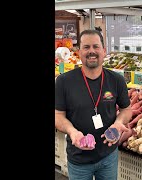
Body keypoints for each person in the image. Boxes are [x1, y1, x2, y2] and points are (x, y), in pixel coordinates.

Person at [55, 29, 132, 180]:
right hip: (78, 160)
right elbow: (58, 116)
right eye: (86, 47)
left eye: (96, 47)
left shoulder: (117, 80)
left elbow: (126, 109)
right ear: (79, 51)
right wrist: (72, 132)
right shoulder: (64, 81)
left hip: (108, 156)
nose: (92, 51)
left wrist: (118, 123)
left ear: (104, 51)